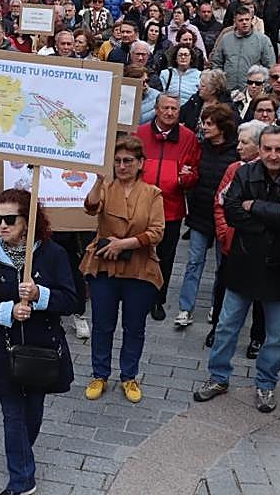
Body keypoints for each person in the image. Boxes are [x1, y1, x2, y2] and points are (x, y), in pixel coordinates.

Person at [194, 125, 280, 414]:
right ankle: (218, 377)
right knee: (225, 327)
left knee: (277, 335)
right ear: (259, 150)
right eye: (268, 149)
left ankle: (266, 384)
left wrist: (254, 206)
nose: (273, 155)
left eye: (279, 150)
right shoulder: (245, 173)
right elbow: (233, 212)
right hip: (244, 263)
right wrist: (274, 215)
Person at [0, 189, 76, 495]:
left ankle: (19, 454)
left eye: (10, 219)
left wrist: (41, 295)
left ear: (28, 222)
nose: (3, 225)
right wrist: (8, 311)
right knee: (12, 414)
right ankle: (22, 482)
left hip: (41, 352)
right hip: (2, 352)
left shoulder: (54, 255)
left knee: (32, 414)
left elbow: (71, 300)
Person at [80, 135, 165, 403]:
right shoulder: (106, 188)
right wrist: (97, 180)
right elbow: (90, 208)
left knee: (134, 326)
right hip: (105, 266)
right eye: (117, 161)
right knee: (102, 324)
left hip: (139, 268)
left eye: (128, 161)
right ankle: (99, 374)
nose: (122, 166)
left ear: (140, 163)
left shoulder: (152, 194)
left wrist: (124, 243)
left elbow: (157, 232)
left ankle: (129, 376)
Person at [136, 93, 199, 320]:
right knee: (140, 251)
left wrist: (184, 179)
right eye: (166, 108)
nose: (170, 113)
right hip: (140, 205)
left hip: (171, 208)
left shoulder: (188, 138)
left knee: (165, 256)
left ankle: (157, 298)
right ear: (156, 109)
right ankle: (138, 294)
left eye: (174, 109)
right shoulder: (140, 133)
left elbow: (194, 173)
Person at [177, 105, 239, 328]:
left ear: (222, 127)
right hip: (200, 214)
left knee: (222, 266)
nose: (205, 127)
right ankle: (186, 308)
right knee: (194, 262)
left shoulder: (235, 152)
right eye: (204, 122)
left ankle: (217, 305)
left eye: (210, 123)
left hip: (223, 218)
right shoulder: (200, 148)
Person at [209, 120, 269, 350]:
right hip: (232, 243)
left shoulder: (269, 172)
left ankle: (257, 337)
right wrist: (224, 231)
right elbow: (220, 202)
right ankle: (217, 328)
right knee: (223, 287)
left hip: (260, 245)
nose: (238, 147)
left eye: (244, 142)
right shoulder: (234, 169)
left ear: (257, 146)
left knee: (260, 294)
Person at [211, 7, 276, 92]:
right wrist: (220, 82)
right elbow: (216, 62)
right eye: (241, 20)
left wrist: (263, 87)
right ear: (235, 21)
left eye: (247, 19)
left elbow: (270, 66)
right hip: (228, 90)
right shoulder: (226, 39)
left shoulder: (263, 40)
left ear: (251, 20)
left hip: (252, 90)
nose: (244, 22)